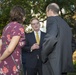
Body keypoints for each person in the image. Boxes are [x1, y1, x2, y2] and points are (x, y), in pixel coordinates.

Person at [41, 3, 74, 75]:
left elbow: (51, 38)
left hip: (52, 64)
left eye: (46, 12)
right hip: (64, 64)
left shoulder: (51, 20)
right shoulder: (65, 24)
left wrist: (43, 55)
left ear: (49, 11)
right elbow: (73, 44)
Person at [0, 5, 26, 75]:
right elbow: (9, 49)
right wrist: (1, 59)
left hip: (3, 64)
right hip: (12, 65)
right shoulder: (18, 27)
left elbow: (1, 43)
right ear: (22, 16)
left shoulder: (6, 27)